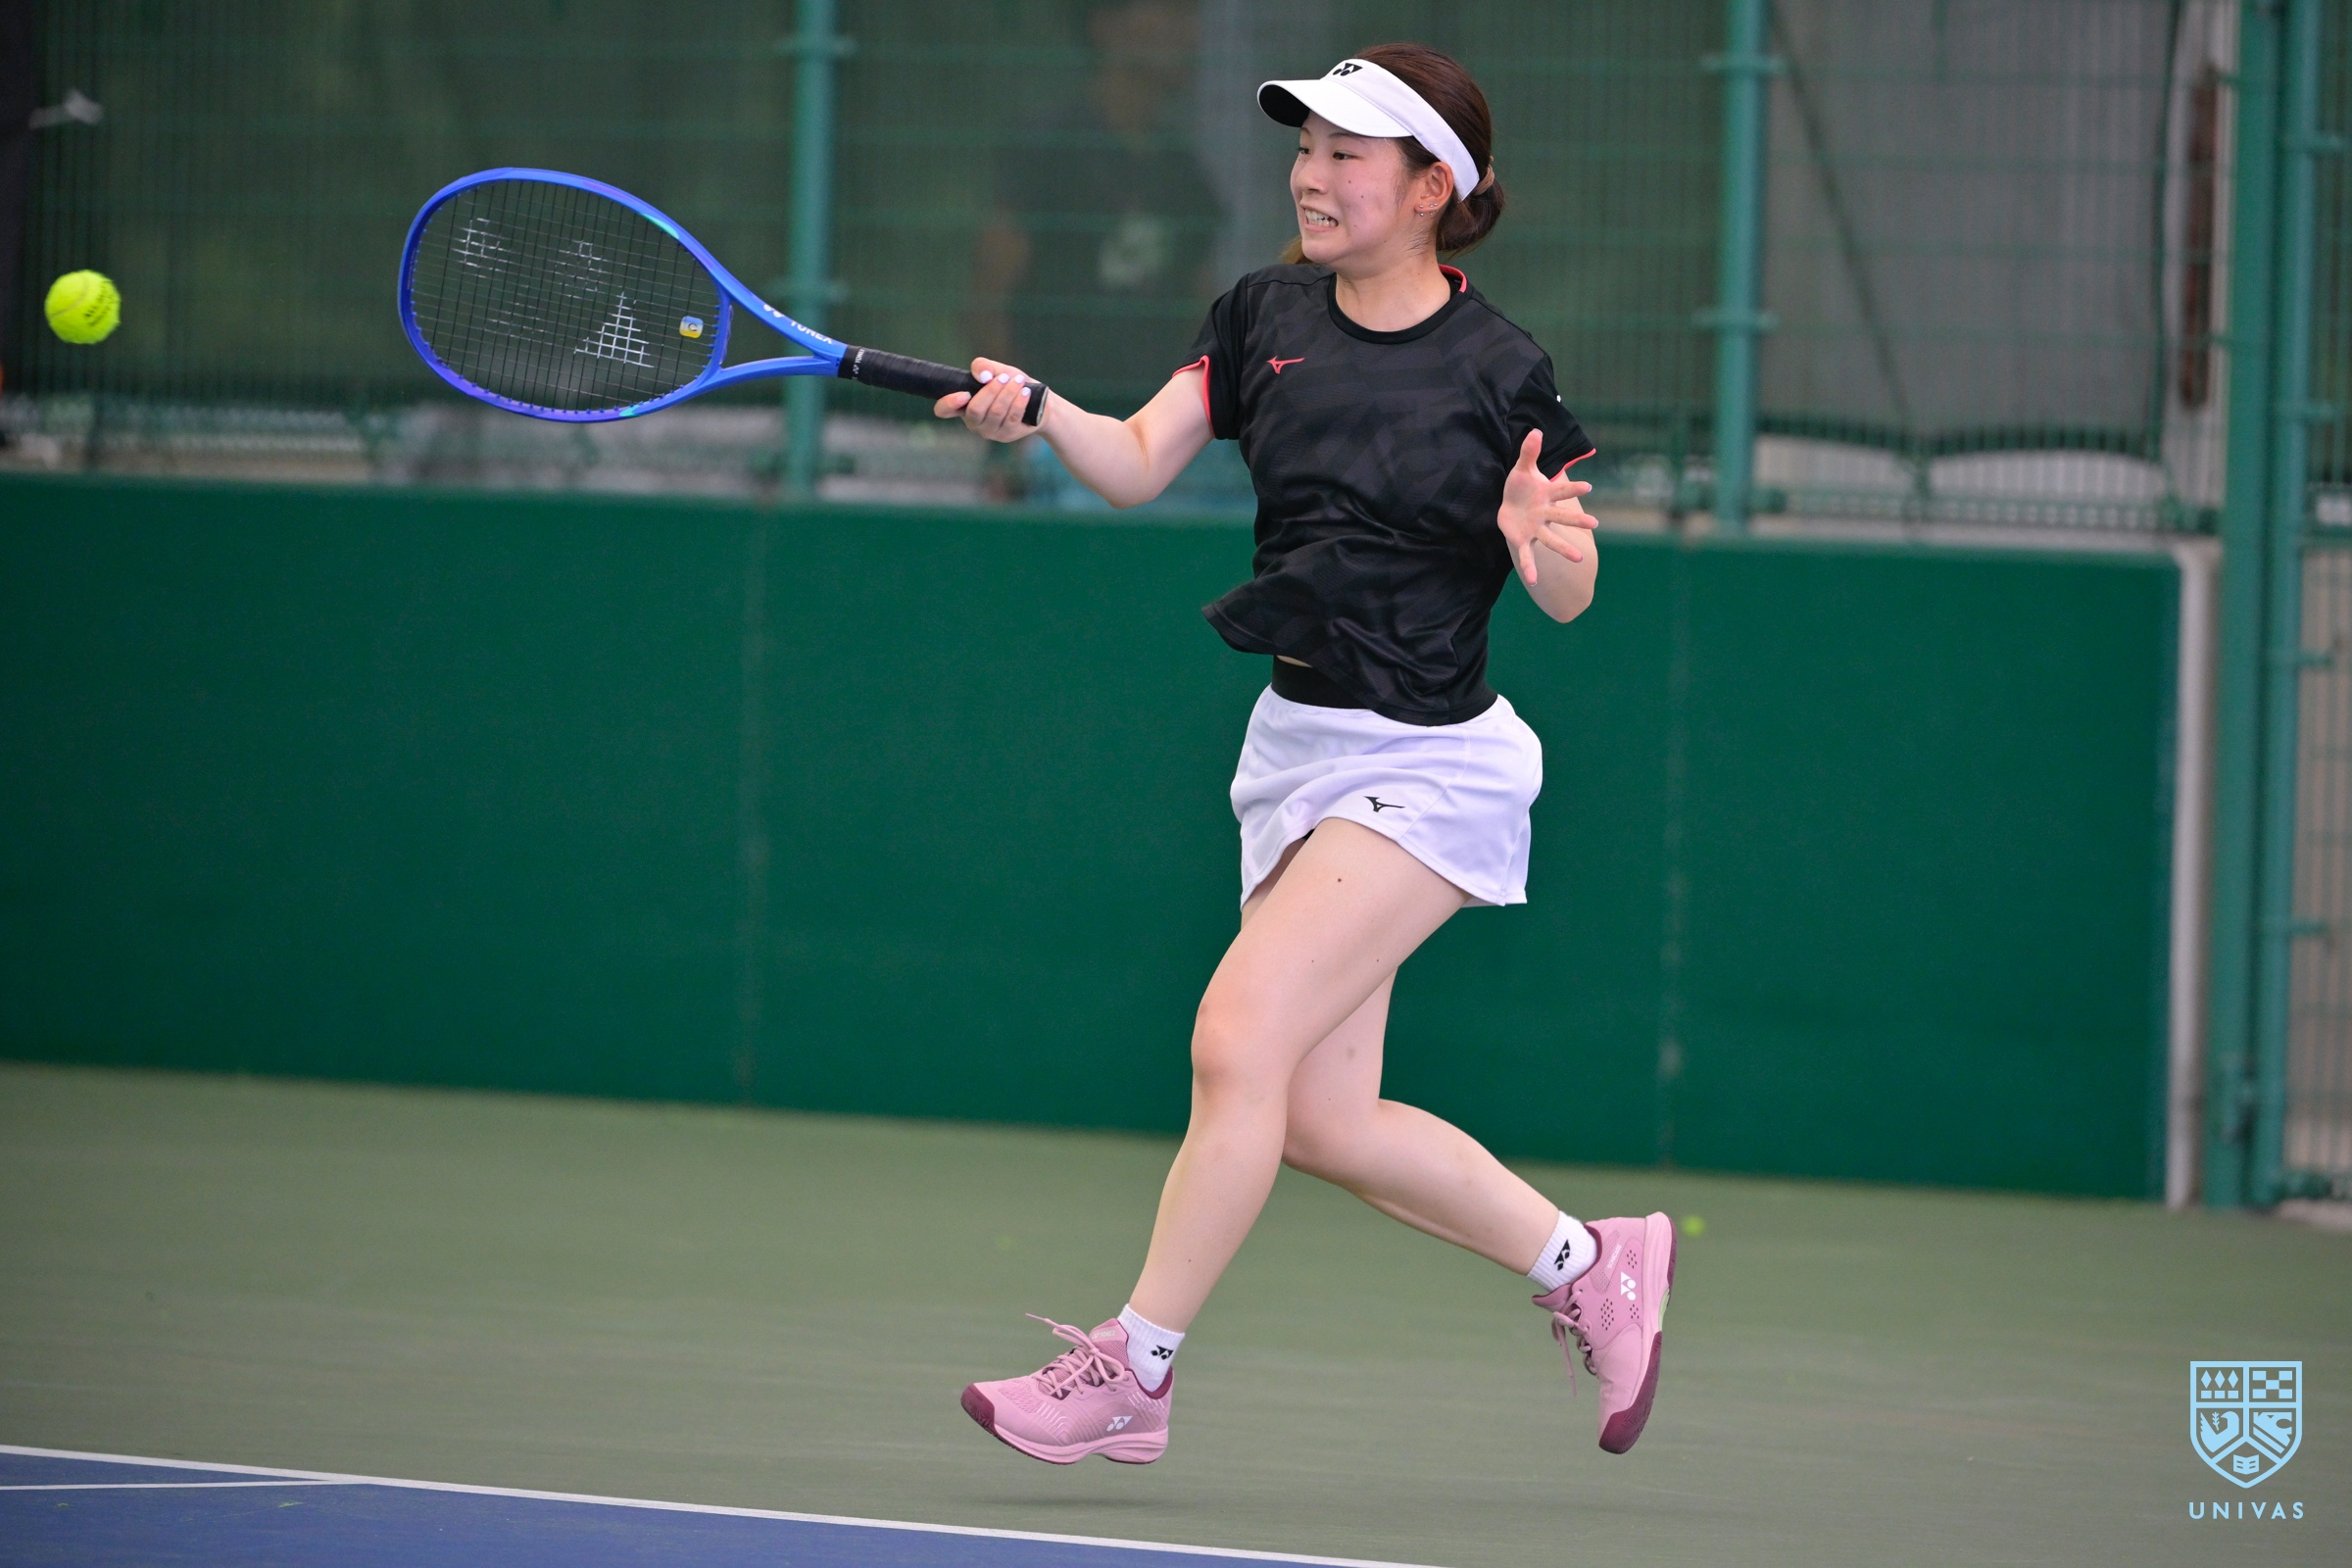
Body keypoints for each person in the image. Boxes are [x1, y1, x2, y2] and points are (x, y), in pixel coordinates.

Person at [934, 44, 1674, 1465]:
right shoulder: (1261, 315)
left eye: (1347, 154)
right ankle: (1593, 1266)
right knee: (1324, 1119)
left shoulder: (1501, 368)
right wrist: (1038, 410)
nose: (1311, 177)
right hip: (1294, 750)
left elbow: (1573, 592)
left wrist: (1541, 546)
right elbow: (1138, 458)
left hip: (1431, 763)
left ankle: (1134, 1371)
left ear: (1433, 187)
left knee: (1236, 1039)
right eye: (1305, 149)